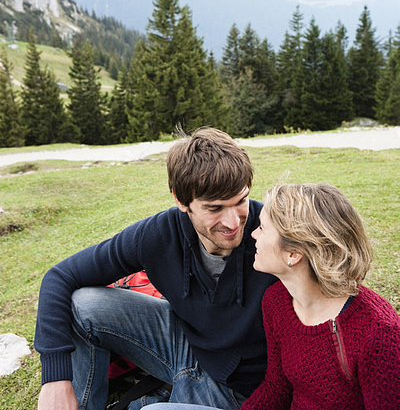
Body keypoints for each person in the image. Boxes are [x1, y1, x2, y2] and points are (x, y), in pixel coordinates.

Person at [34, 127, 277, 410]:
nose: (234, 222)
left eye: (240, 201)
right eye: (214, 208)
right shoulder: (159, 234)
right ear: (180, 200)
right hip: (187, 345)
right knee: (84, 304)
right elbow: (60, 277)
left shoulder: (272, 231)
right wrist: (55, 379)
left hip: (243, 389)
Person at [147, 183, 400, 410]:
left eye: (263, 228)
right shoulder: (277, 301)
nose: (252, 234)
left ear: (293, 254)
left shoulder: (379, 334)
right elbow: (276, 388)